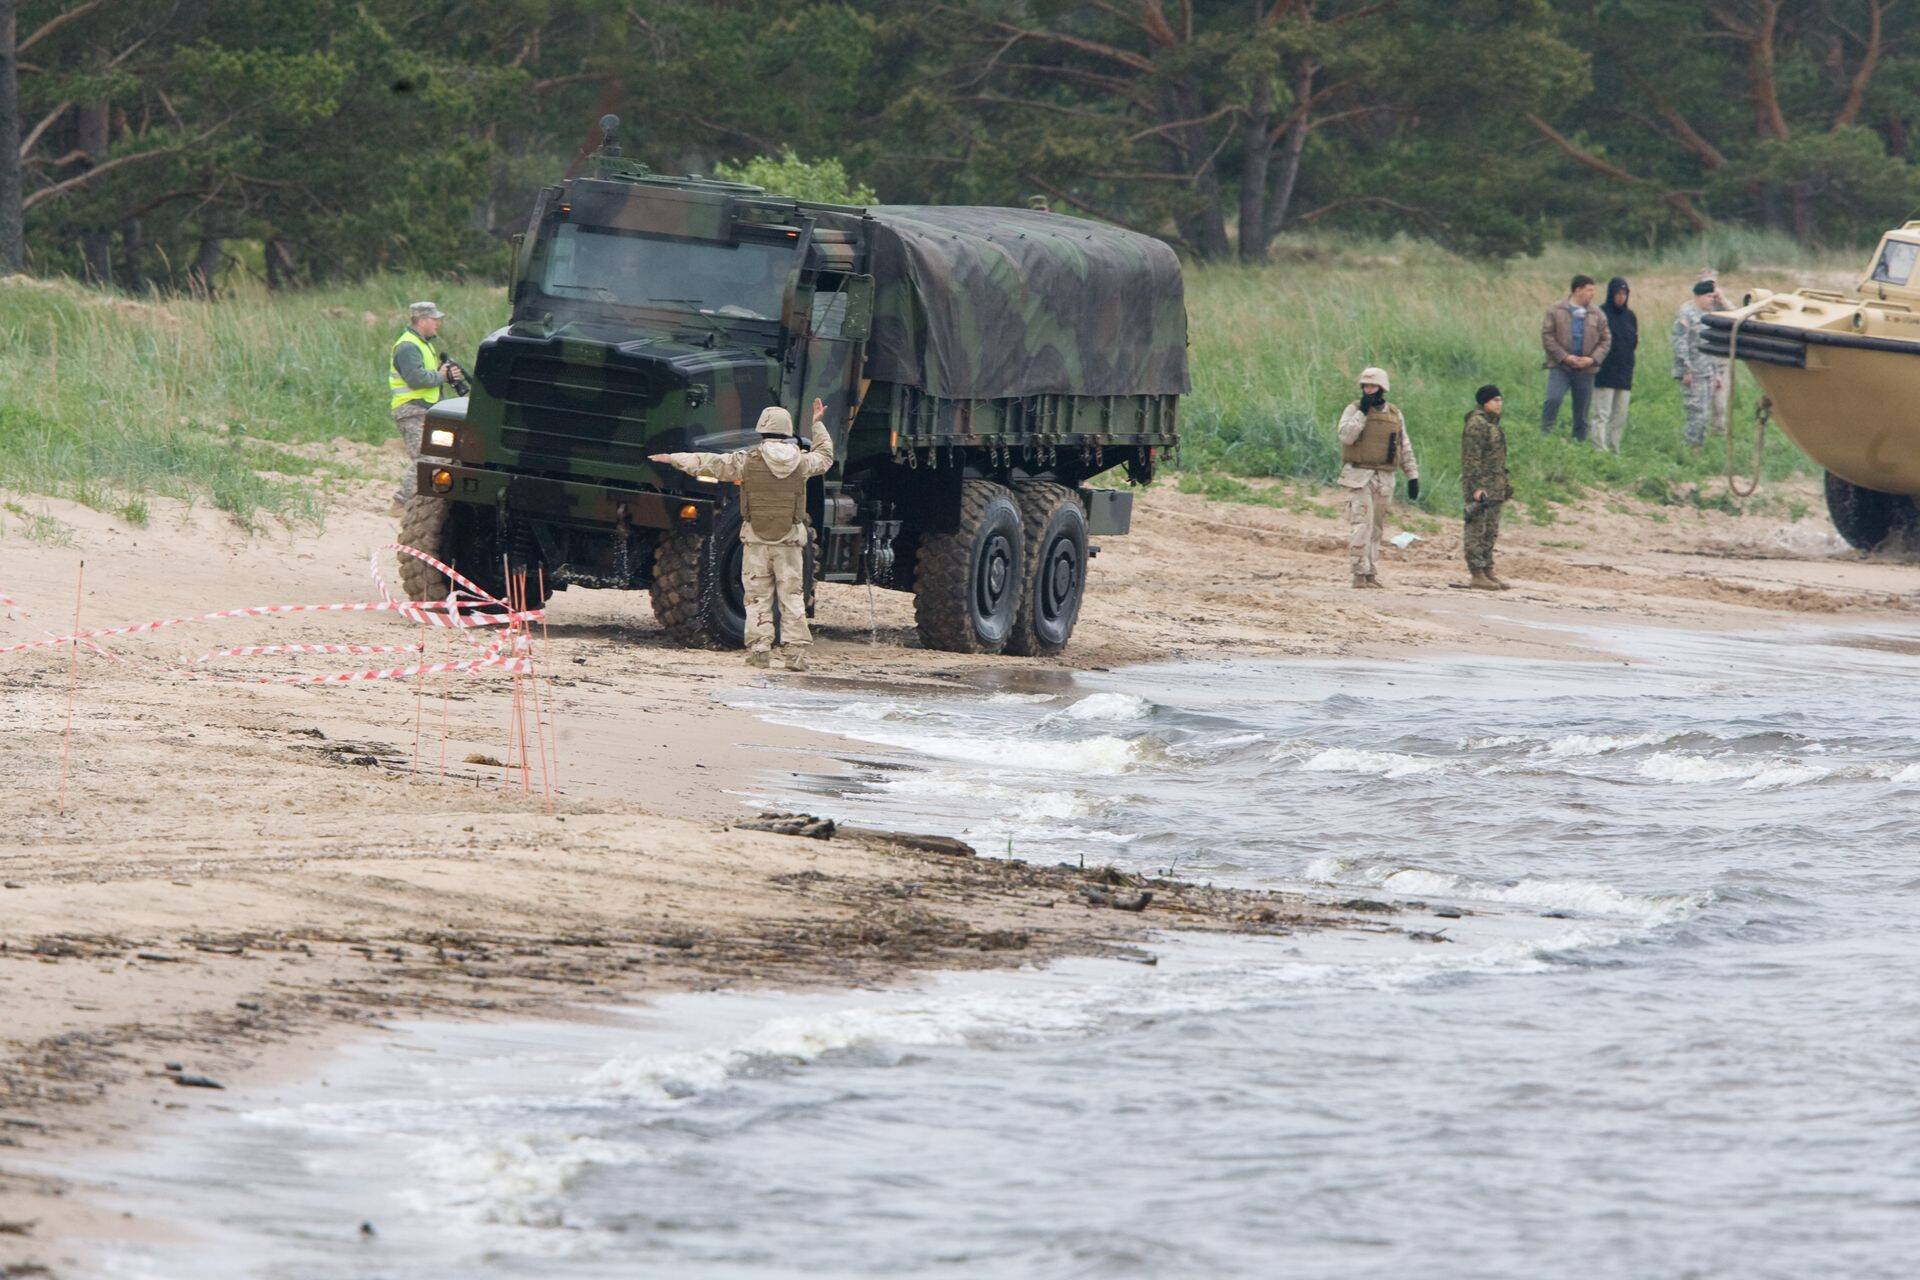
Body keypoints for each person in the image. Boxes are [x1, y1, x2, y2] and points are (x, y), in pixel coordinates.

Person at [651, 399, 834, 669]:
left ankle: (760, 651)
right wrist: (817, 425)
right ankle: (794, 655)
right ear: (787, 432)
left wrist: (673, 459)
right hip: (790, 539)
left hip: (757, 539)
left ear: (762, 429)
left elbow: (710, 464)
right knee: (792, 596)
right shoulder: (802, 463)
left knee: (757, 597)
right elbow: (825, 457)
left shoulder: (747, 460)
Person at [1336, 366, 1420, 589]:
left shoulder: (1394, 414)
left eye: (1373, 386)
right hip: (1359, 475)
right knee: (1361, 524)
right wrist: (1361, 414)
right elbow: (1346, 437)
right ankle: (1359, 573)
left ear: (1382, 388)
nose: (1368, 390)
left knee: (1376, 528)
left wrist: (1412, 475)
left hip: (1384, 478)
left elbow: (1404, 445)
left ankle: (1371, 571)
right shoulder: (1354, 409)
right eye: (1365, 386)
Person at [389, 301, 464, 503]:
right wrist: (442, 376)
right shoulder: (408, 347)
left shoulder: (423, 344)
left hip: (422, 409)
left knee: (433, 456)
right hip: (411, 410)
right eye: (434, 319)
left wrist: (443, 373)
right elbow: (416, 379)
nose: (438, 324)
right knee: (427, 458)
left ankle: (413, 501)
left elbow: (425, 375)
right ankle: (402, 501)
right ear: (422, 321)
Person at [1540, 275, 1611, 441]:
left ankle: (1578, 442)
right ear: (1577, 290)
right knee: (1553, 398)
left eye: (1594, 290)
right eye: (1589, 290)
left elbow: (1606, 340)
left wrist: (1592, 360)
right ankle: (1544, 437)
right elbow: (1547, 336)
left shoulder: (1597, 313)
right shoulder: (1555, 310)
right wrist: (1564, 357)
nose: (1593, 294)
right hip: (1560, 366)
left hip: (1586, 369)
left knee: (1582, 410)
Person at [1460, 384, 1512, 591]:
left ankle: (1487, 569)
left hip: (1495, 486)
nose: (1499, 404)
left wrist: (1504, 484)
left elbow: (1495, 459)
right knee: (1477, 529)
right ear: (1485, 402)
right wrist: (1476, 487)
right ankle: (1477, 573)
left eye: (1500, 400)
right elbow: (1471, 459)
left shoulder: (1492, 424)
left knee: (1490, 530)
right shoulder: (1476, 424)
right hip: (1481, 487)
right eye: (1495, 400)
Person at [1671, 275, 1729, 449]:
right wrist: (1686, 370)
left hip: (1708, 371)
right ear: (1698, 296)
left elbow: (1711, 347)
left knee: (1705, 413)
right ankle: (1691, 447)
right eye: (1709, 297)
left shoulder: (1709, 316)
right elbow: (1680, 343)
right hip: (1693, 372)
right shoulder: (1686, 314)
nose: (1712, 300)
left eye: (1713, 297)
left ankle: (1698, 447)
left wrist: (1717, 373)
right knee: (1695, 412)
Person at [1591, 277, 1637, 453]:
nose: (1621, 297)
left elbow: (1634, 342)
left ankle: (1614, 448)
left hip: (1625, 372)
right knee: (1602, 413)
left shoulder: (1630, 316)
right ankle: (1599, 450)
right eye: (1618, 293)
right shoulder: (1600, 313)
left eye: (1624, 294)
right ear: (1611, 293)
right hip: (1605, 371)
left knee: (1620, 415)